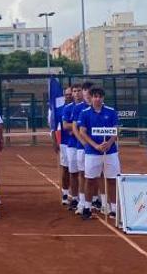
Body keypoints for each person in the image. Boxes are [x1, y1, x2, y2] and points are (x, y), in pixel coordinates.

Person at [78, 87, 120, 220]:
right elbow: (82, 132)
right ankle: (87, 207)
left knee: (112, 179)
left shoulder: (111, 112)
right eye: (95, 96)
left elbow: (115, 130)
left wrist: (108, 143)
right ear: (91, 98)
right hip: (92, 152)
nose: (97, 99)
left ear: (103, 98)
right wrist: (95, 145)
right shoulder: (84, 113)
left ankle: (114, 209)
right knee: (90, 180)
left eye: (100, 96)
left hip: (110, 152)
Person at [71, 83, 93, 215]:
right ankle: (82, 202)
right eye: (84, 91)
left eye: (87, 91)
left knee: (97, 175)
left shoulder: (101, 108)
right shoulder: (78, 108)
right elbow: (75, 128)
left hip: (97, 149)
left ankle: (98, 201)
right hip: (82, 147)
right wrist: (84, 143)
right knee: (83, 174)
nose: (85, 94)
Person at [62, 84, 82, 212]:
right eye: (74, 91)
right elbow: (65, 126)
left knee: (87, 174)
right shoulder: (67, 108)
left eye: (79, 91)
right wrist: (78, 127)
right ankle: (75, 198)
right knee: (73, 173)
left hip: (86, 145)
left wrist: (75, 127)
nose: (76, 93)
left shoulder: (88, 107)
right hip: (72, 145)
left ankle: (92, 199)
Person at [53, 87, 74, 206]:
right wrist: (55, 141)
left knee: (79, 171)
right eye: (66, 94)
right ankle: (65, 193)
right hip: (64, 143)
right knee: (66, 169)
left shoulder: (80, 108)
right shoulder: (59, 109)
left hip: (78, 144)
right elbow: (54, 127)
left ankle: (82, 197)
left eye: (70, 94)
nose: (69, 96)